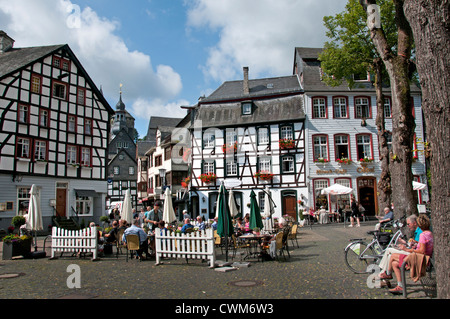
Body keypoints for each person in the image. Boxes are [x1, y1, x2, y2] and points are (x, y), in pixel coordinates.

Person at [378, 215, 433, 294]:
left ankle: (388, 274)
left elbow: (422, 251)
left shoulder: (423, 235)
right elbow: (423, 247)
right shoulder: (429, 233)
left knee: (392, 255)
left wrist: (407, 249)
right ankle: (400, 286)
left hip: (420, 259)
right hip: (422, 257)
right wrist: (415, 244)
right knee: (394, 263)